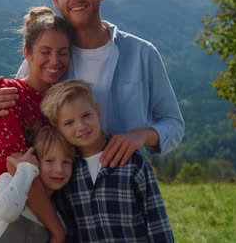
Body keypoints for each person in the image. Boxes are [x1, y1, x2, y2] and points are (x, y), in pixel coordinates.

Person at [0, 0, 184, 168]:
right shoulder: (50, 58)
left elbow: (174, 124)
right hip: (63, 187)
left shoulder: (142, 54)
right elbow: (14, 111)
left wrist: (142, 134)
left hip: (125, 182)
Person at [0, 7, 73, 243]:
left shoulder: (57, 104)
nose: (55, 61)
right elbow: (19, 170)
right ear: (27, 53)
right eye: (45, 52)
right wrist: (57, 229)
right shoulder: (7, 95)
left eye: (63, 52)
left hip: (35, 220)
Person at [41, 79, 174, 242]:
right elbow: (69, 229)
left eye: (86, 116)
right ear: (57, 128)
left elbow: (156, 220)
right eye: (69, 122)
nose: (81, 126)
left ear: (98, 113)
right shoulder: (66, 169)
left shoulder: (131, 160)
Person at [0, 126, 75, 243]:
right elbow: (7, 212)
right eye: (49, 161)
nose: (59, 169)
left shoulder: (57, 216)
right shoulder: (8, 180)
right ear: (35, 160)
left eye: (66, 162)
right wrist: (26, 169)